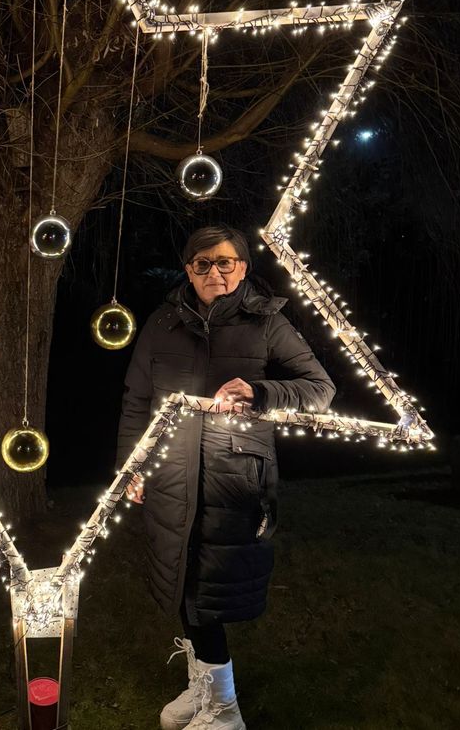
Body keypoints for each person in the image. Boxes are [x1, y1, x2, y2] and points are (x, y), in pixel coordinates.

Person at [117, 225, 335, 730]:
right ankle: (205, 691)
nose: (215, 272)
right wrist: (133, 463)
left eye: (226, 262)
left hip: (233, 479)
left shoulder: (267, 322)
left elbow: (319, 389)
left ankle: (225, 709)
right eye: (202, 264)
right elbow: (136, 400)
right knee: (183, 585)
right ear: (187, 269)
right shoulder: (162, 323)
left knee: (207, 593)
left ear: (243, 266)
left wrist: (261, 392)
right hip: (170, 473)